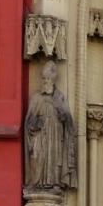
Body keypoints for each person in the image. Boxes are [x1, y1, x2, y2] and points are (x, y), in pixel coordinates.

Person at [24, 61, 77, 191]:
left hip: (56, 136)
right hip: (40, 135)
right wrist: (36, 124)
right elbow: (28, 122)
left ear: (53, 80)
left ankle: (55, 183)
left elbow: (68, 120)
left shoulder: (59, 97)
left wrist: (62, 114)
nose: (45, 81)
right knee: (37, 156)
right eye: (44, 78)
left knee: (54, 157)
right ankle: (35, 182)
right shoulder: (36, 98)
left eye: (48, 79)